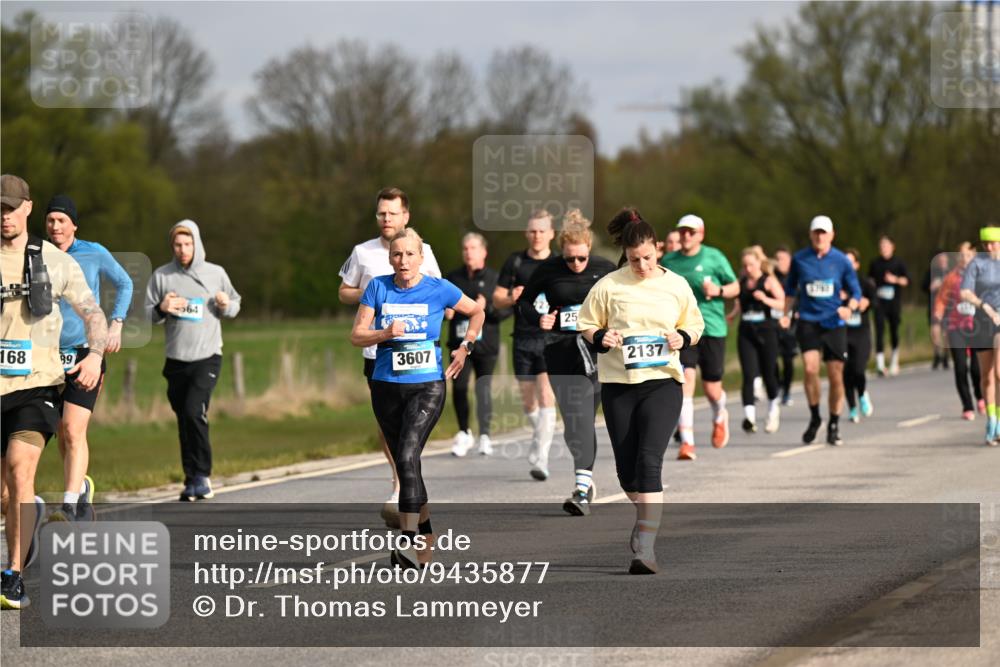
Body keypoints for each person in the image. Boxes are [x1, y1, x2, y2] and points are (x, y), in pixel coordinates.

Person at [1, 174, 107, 609]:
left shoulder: (54, 261)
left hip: (37, 386)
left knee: (19, 469)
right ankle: (30, 514)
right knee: (7, 494)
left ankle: (12, 575)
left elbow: (92, 312)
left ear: (28, 207)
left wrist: (95, 354)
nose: (4, 216)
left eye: (11, 208)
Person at [579, 207, 704, 574]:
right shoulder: (609, 285)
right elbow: (586, 324)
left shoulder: (676, 285)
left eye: (648, 257)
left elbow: (695, 325)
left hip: (663, 383)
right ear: (626, 255)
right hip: (619, 386)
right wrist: (602, 336)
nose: (642, 265)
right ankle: (645, 514)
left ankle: (645, 548)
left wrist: (681, 337)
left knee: (650, 462)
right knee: (628, 473)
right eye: (635, 260)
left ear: (658, 249)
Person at [351, 228, 484, 568]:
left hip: (427, 386)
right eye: (397, 254)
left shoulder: (439, 288)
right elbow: (357, 335)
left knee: (409, 453)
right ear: (390, 258)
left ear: (421, 258)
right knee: (406, 463)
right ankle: (425, 533)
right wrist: (384, 333)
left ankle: (407, 541)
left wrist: (465, 346)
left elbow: (477, 311)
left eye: (410, 254)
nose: (403, 260)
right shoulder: (378, 287)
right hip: (385, 385)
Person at [338, 187, 442, 527]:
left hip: (416, 353)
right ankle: (400, 481)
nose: (386, 219)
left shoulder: (424, 250)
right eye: (381, 213)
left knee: (411, 432)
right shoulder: (363, 252)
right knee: (389, 426)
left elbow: (437, 290)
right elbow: (343, 292)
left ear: (405, 216)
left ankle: (405, 485)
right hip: (378, 351)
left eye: (392, 213)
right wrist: (374, 287)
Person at [43, 195, 133, 522]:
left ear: (74, 226)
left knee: (72, 429)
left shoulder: (93, 252)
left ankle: (68, 505)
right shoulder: (38, 254)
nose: (55, 226)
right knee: (60, 433)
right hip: (49, 355)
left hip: (85, 352)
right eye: (50, 220)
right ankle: (80, 486)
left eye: (61, 220)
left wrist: (116, 323)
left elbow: (124, 282)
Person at [518, 213, 616, 515]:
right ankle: (585, 476)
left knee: (583, 416)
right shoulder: (548, 269)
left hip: (595, 352)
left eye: (581, 258)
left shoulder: (605, 269)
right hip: (559, 350)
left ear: (589, 249)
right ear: (562, 252)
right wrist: (540, 318)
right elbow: (524, 302)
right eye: (570, 259)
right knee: (572, 425)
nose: (576, 264)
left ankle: (581, 489)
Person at [145, 220, 241, 501]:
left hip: (207, 356)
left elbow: (235, 304)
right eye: (178, 244)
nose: (183, 249)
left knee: (193, 411)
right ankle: (190, 479)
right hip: (176, 360)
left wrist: (225, 304)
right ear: (172, 246)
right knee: (184, 419)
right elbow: (145, 315)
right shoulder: (162, 276)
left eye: (188, 244)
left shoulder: (216, 273)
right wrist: (162, 307)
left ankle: (203, 475)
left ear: (196, 244)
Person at [660, 214, 739, 460]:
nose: (686, 235)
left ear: (701, 235)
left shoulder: (714, 257)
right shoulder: (669, 261)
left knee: (712, 390)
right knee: (686, 379)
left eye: (691, 232)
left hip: (711, 328)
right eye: (682, 231)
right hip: (683, 329)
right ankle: (687, 443)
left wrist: (719, 290)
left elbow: (736, 286)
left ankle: (719, 414)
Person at [781, 215, 861, 446]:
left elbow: (856, 292)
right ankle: (816, 417)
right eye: (816, 232)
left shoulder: (841, 261)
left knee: (836, 376)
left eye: (823, 233)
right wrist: (785, 314)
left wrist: (849, 308)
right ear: (810, 234)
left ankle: (834, 423)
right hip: (808, 322)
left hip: (834, 323)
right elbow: (790, 291)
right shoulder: (800, 259)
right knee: (810, 369)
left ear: (831, 235)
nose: (820, 237)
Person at [494, 210, 557, 479]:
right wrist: (512, 296)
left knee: (546, 395)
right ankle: (538, 435)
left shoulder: (558, 263)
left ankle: (542, 459)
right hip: (522, 338)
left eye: (542, 231)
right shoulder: (516, 261)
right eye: (532, 231)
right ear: (526, 233)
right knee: (529, 402)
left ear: (551, 233)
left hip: (550, 339)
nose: (537, 236)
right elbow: (496, 299)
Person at [446, 233, 507, 456]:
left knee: (483, 389)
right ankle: (464, 432)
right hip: (459, 344)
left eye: (473, 248)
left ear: (484, 252)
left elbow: (506, 310)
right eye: (465, 248)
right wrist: (446, 313)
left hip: (486, 344)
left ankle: (485, 436)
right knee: (459, 387)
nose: (468, 253)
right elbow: (441, 307)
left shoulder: (495, 279)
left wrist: (486, 306)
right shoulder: (453, 278)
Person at [730, 247, 785, 434]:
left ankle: (773, 409)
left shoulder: (768, 281)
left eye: (751, 265)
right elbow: (739, 303)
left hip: (767, 331)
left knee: (769, 374)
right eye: (745, 265)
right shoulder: (742, 282)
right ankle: (750, 418)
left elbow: (783, 303)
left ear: (759, 264)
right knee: (748, 375)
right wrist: (732, 315)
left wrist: (766, 299)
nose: (748, 269)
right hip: (746, 332)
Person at [960, 225, 1000, 446]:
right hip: (983, 320)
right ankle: (991, 419)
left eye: (993, 243)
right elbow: (965, 292)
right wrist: (982, 304)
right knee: (986, 375)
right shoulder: (977, 263)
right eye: (986, 244)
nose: (989, 247)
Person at [933, 242, 983, 420]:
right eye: (961, 255)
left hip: (977, 327)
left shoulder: (981, 275)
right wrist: (939, 312)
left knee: (977, 368)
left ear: (974, 256)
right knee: (960, 367)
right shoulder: (951, 277)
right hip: (956, 327)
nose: (964, 258)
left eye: (968, 255)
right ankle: (967, 406)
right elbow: (941, 299)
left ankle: (980, 395)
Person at [869, 235, 910, 377]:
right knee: (879, 331)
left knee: (894, 331)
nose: (883, 248)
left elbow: (907, 281)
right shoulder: (875, 263)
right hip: (879, 303)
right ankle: (880, 364)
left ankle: (894, 361)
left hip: (894, 302)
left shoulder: (899, 263)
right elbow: (870, 281)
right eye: (881, 245)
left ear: (892, 247)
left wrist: (895, 279)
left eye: (886, 245)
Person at [843, 248, 876, 423]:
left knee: (858, 369)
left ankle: (862, 394)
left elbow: (876, 302)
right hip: (842, 333)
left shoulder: (865, 283)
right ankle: (852, 408)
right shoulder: (836, 283)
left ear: (856, 265)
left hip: (861, 333)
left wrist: (867, 302)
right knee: (846, 372)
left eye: (850, 262)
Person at [773, 246, 797, 406]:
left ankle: (786, 391)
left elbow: (800, 296)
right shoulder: (771, 277)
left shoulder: (795, 277)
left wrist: (797, 312)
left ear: (790, 260)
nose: (779, 262)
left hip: (790, 324)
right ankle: (778, 385)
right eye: (777, 259)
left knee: (788, 360)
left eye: (782, 259)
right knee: (771, 358)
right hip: (773, 322)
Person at [926, 252, 952, 370]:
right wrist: (932, 286)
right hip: (935, 306)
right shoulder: (931, 272)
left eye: (944, 258)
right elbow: (924, 286)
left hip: (949, 307)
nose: (942, 261)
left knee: (946, 333)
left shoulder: (952, 272)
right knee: (935, 332)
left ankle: (946, 355)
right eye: (940, 259)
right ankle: (937, 354)